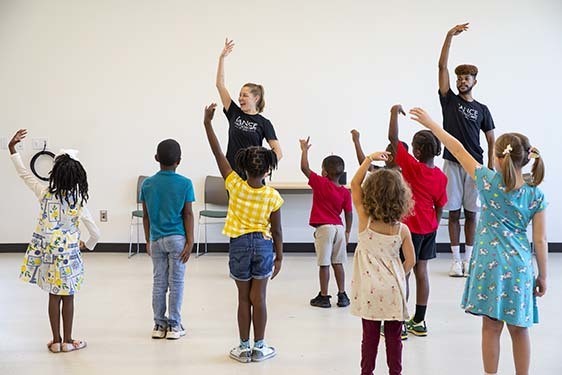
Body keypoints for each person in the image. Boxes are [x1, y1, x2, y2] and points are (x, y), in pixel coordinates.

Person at [410, 107, 547, 375]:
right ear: (526, 160)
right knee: (520, 330)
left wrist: (432, 124)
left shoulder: (488, 181)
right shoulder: (535, 194)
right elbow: (540, 241)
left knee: (491, 328)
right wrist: (543, 275)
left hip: (489, 265)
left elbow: (458, 149)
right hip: (519, 268)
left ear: (498, 158)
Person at [203, 103, 283, 363]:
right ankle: (260, 347)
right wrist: (279, 256)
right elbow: (278, 230)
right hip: (263, 246)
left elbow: (218, 154)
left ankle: (242, 347)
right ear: (268, 169)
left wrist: (207, 123)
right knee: (259, 298)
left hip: (238, 244)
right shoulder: (273, 196)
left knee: (242, 298)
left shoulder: (234, 184)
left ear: (244, 167)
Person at [8, 129, 100, 353]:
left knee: (53, 295)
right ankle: (69, 341)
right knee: (68, 297)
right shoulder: (79, 201)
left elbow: (24, 174)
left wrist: (13, 149)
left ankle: (56, 341)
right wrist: (86, 245)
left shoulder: (44, 192)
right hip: (69, 256)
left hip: (49, 255)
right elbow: (95, 233)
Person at [350, 150, 416, 375]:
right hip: (394, 290)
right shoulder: (402, 229)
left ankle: (366, 371)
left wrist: (369, 159)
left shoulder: (364, 220)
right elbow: (411, 260)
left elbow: (355, 184)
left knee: (369, 338)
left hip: (369, 291)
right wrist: (398, 271)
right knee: (394, 339)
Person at [438, 23, 496, 277]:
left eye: (466, 78)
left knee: (472, 213)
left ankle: (470, 259)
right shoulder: (449, 100)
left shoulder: (482, 109)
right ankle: (455, 260)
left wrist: (491, 166)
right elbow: (441, 68)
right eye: (459, 77)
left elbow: (492, 139)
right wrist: (449, 36)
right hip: (451, 163)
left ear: (475, 81)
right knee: (453, 212)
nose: (462, 81)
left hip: (475, 166)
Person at [388, 104, 448, 337]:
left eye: (413, 148)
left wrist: (394, 112)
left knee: (404, 272)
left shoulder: (412, 167)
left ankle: (399, 322)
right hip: (429, 229)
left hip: (408, 230)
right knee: (422, 272)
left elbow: (393, 138)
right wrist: (432, 225)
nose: (411, 151)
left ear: (419, 151)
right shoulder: (440, 177)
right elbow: (440, 206)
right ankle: (419, 321)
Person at [140, 138, 195, 340]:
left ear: (156, 158)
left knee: (159, 282)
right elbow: (188, 214)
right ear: (179, 161)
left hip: (156, 239)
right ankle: (174, 325)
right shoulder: (185, 183)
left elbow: (145, 216)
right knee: (177, 282)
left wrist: (148, 240)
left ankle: (158, 324)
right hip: (177, 239)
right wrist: (190, 241)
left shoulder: (147, 184)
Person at [216, 38, 282, 177]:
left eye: (245, 95)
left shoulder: (264, 123)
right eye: (240, 95)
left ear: (256, 98)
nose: (240, 98)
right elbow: (220, 85)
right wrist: (222, 58)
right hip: (232, 175)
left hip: (254, 177)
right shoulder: (234, 112)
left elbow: (278, 152)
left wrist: (266, 169)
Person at [299, 136, 352, 308]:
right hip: (339, 228)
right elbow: (349, 214)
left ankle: (324, 296)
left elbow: (304, 168)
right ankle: (342, 295)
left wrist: (304, 150)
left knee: (324, 264)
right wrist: (348, 232)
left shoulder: (320, 183)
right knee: (339, 263)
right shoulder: (345, 192)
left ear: (324, 173)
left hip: (325, 229)